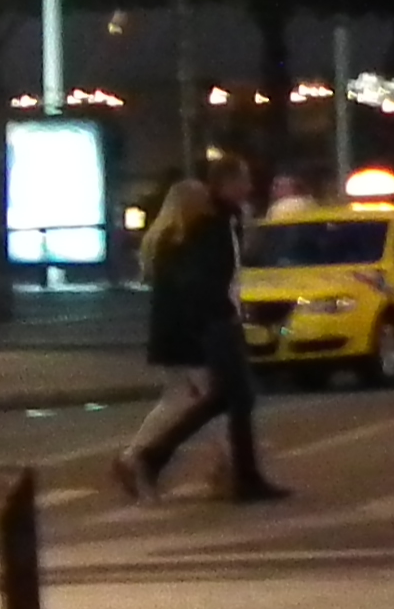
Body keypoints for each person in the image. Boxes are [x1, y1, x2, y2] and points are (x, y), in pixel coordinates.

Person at [123, 154, 287, 502]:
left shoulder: (220, 221)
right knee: (226, 397)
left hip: (210, 322)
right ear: (228, 183)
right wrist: (223, 313)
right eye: (243, 180)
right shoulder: (209, 225)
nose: (249, 187)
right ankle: (155, 459)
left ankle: (225, 471)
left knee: (223, 398)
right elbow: (204, 280)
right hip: (211, 324)